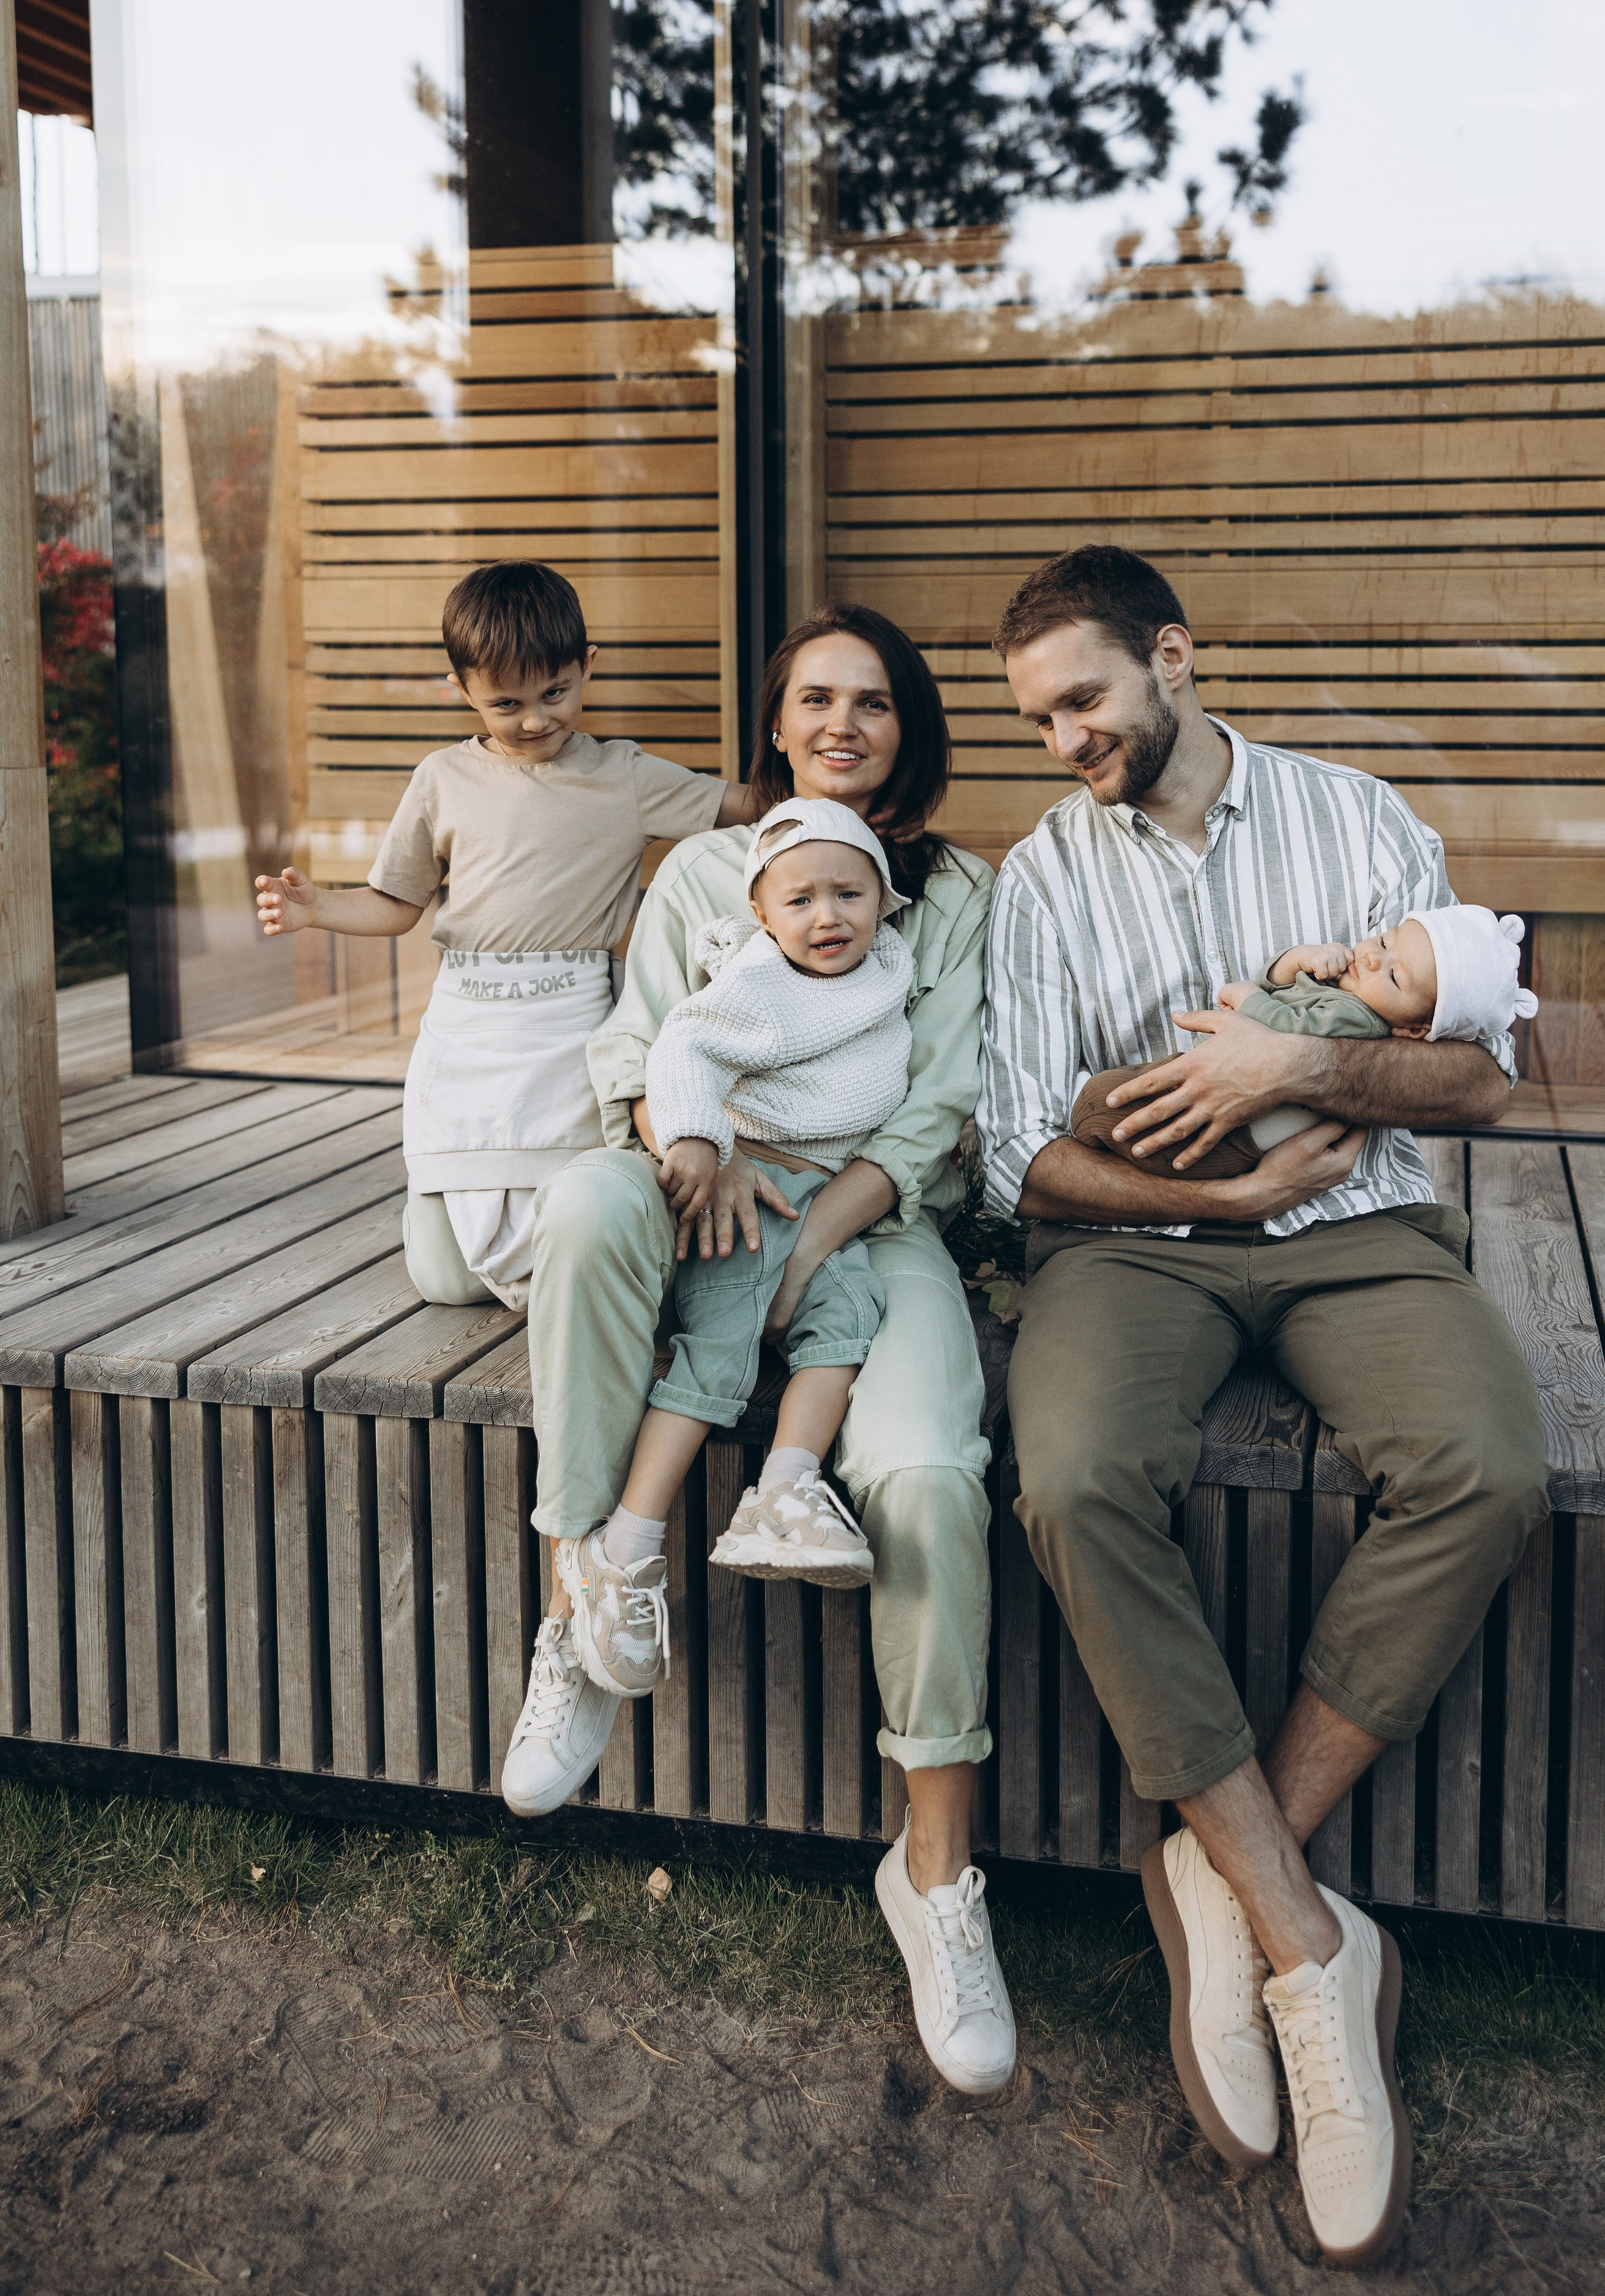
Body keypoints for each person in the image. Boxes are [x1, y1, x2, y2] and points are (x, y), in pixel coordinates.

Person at [977, 544, 1549, 2271]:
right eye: (1037, 719)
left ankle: (1220, 1867)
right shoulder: (1040, 873)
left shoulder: (1356, 820)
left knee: (1482, 1463)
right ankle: (1306, 1944)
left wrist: (1292, 1064)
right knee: (1073, 1474)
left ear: (1173, 655)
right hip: (1136, 1247)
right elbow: (1018, 1151)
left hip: (1354, 1225)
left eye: (1083, 699)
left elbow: (1479, 1076)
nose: (1064, 739)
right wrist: (1207, 1190)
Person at [505, 604, 1019, 2101]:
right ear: (777, 725)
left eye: (873, 701)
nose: (842, 723)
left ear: (908, 731)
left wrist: (809, 1242)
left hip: (870, 1221)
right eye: (814, 699)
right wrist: (694, 1152)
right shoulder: (704, 872)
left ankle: (935, 1877)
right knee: (584, 1207)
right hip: (699, 1187)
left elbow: (940, 1106)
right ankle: (585, 1598)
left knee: (926, 1471)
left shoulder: (950, 896)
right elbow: (639, 1045)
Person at [252, 560, 752, 1308]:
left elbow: (748, 807)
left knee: (574, 1217)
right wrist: (317, 909)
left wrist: (830, 775)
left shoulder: (625, 775)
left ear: (587, 667)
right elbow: (397, 903)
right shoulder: (441, 778)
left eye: (556, 693)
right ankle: (443, 1202)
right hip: (469, 1025)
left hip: (574, 1025)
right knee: (446, 1285)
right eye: (506, 704)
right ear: (462, 689)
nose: (536, 720)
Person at [557, 799, 916, 1701]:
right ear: (761, 914)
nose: (827, 916)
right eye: (799, 901)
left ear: (885, 900)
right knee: (717, 1358)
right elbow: (683, 1046)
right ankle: (625, 1545)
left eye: (849, 894)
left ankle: (784, 1490)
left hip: (826, 1203)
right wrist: (696, 1142)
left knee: (850, 1319)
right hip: (747, 1200)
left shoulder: (889, 967)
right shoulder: (755, 980)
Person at [1071, 908, 1539, 1179]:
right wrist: (1298, 959)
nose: (1372, 959)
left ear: (1416, 1029)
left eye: (1395, 977)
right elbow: (1276, 986)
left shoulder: (1356, 1020)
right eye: (1383, 942)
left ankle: (1088, 1121)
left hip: (1237, 1137)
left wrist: (1248, 998)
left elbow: (1283, 1030)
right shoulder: (1346, 990)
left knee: (1107, 1108)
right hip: (1216, 1097)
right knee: (1126, 1105)